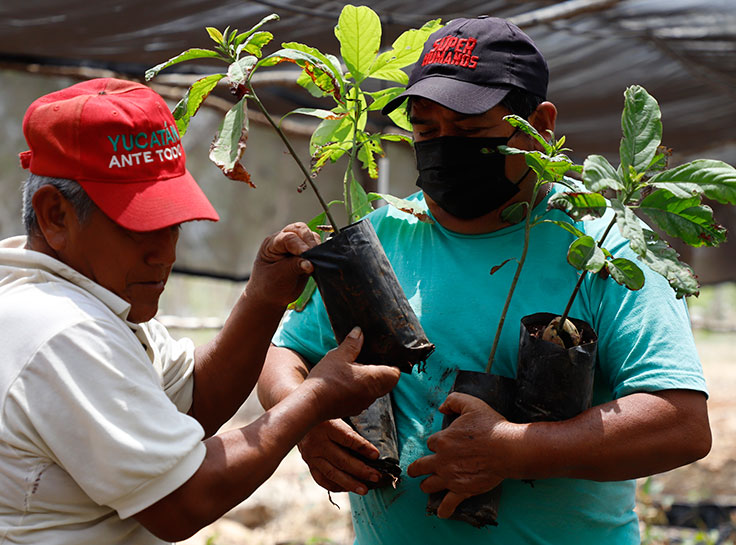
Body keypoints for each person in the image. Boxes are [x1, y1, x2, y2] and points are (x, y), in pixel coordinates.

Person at [257, 16, 711, 544]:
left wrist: (516, 447)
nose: (446, 147)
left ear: (539, 127)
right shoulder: (380, 242)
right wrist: (305, 420)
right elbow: (283, 353)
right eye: (427, 131)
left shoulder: (605, 246)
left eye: (471, 131)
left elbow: (680, 422)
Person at [0, 77, 401, 545]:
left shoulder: (89, 299)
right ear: (55, 215)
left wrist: (262, 301)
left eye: (173, 223)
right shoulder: (57, 328)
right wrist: (311, 401)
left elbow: (193, 401)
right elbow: (183, 502)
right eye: (138, 227)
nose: (165, 253)